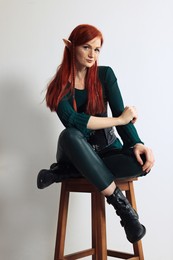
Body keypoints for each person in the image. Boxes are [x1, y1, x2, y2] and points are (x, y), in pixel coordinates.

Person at [37, 24, 154, 244]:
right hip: (74, 150)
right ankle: (124, 211)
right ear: (70, 46)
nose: (92, 54)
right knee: (69, 134)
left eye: (97, 49)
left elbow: (121, 114)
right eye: (86, 47)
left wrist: (137, 143)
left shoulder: (105, 75)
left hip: (108, 151)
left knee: (141, 162)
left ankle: (67, 173)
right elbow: (76, 123)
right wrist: (120, 120)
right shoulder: (58, 87)